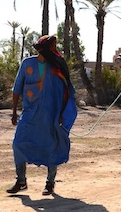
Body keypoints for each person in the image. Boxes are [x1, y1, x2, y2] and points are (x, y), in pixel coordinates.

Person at [6, 35, 77, 195]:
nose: (54, 51)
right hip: (29, 114)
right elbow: (17, 88)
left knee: (51, 146)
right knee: (18, 143)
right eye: (51, 48)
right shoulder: (27, 64)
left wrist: (62, 114)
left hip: (50, 114)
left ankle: (50, 183)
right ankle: (21, 180)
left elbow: (66, 91)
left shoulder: (57, 67)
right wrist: (14, 112)